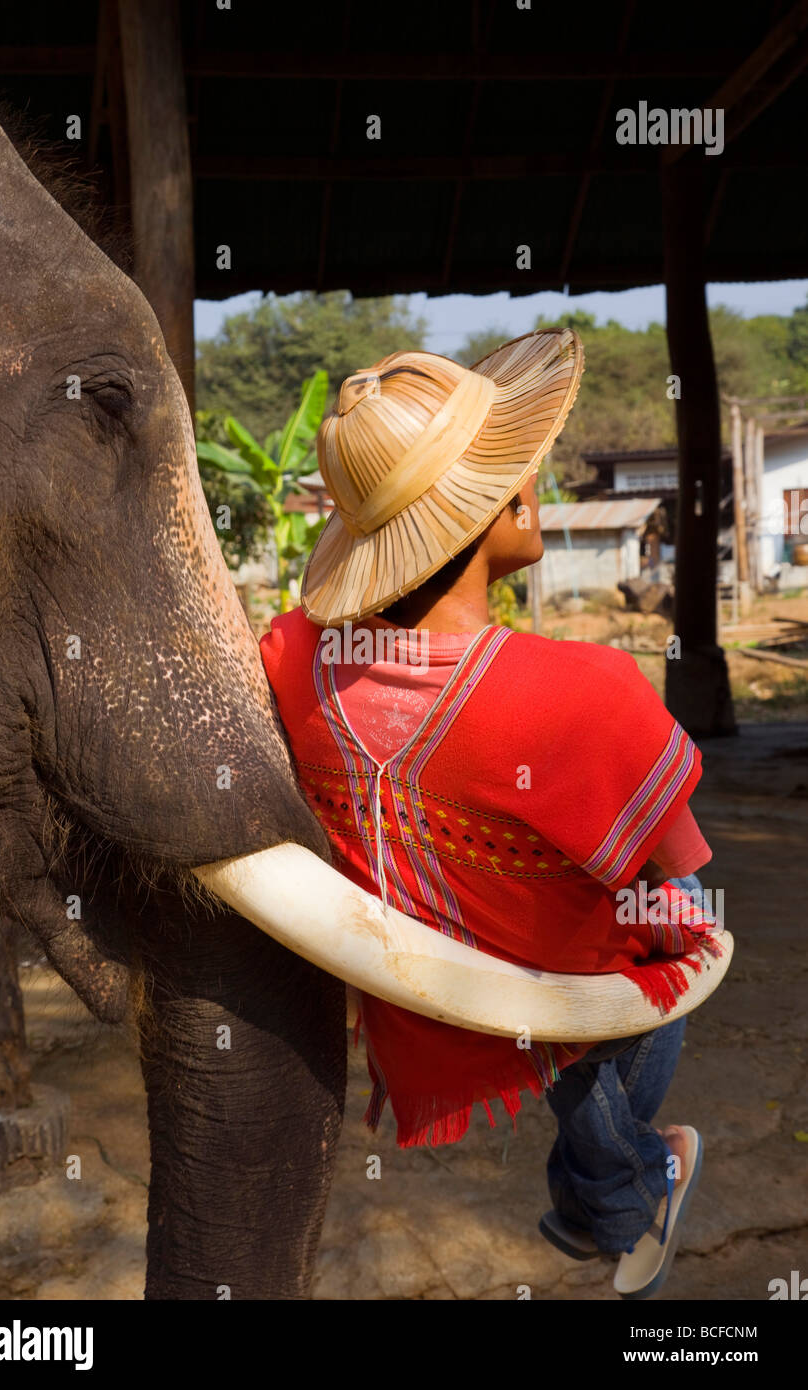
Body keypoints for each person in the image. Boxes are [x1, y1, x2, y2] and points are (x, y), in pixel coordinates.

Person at [259, 330, 723, 1299]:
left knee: (559, 933)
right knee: (676, 909)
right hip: (550, 988)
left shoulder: (293, 660)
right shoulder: (583, 695)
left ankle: (611, 1177)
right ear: (494, 505)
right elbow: (669, 877)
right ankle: (609, 1181)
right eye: (518, 467)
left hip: (423, 1000)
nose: (535, 480)